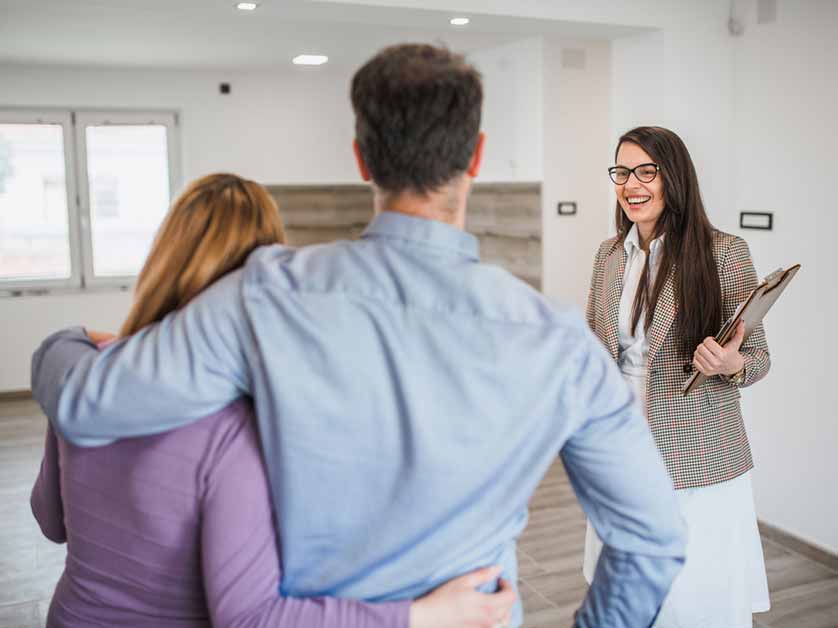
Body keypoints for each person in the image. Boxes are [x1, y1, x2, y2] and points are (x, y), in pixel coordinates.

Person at [32, 45, 687, 628]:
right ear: (476, 156)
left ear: (362, 158)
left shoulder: (265, 293)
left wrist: (64, 342)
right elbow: (652, 537)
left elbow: (88, 406)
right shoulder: (558, 340)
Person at [29, 173, 516, 628]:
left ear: (162, 256)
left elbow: (51, 520)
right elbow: (251, 617)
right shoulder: (243, 425)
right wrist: (421, 616)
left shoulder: (91, 378)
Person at [584, 126, 771, 628]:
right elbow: (595, 350)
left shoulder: (723, 252)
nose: (631, 184)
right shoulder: (608, 256)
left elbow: (757, 356)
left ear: (674, 178)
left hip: (699, 460)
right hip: (622, 454)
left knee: (695, 603)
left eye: (647, 171)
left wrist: (730, 364)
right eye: (622, 172)